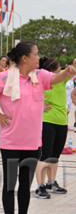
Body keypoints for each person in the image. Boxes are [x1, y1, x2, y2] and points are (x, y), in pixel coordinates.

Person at [0, 41, 76, 214]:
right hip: (10, 142)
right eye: (35, 54)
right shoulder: (3, 77)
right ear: (25, 58)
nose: (38, 57)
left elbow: (55, 78)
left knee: (25, 186)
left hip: (32, 143)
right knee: (9, 186)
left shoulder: (40, 75)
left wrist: (67, 73)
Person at [34, 57, 73, 199]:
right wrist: (38, 104)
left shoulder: (62, 80)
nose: (61, 71)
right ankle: (40, 186)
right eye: (58, 69)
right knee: (45, 154)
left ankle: (51, 183)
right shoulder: (40, 81)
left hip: (62, 122)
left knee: (55, 155)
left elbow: (71, 72)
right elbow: (28, 95)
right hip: (46, 121)